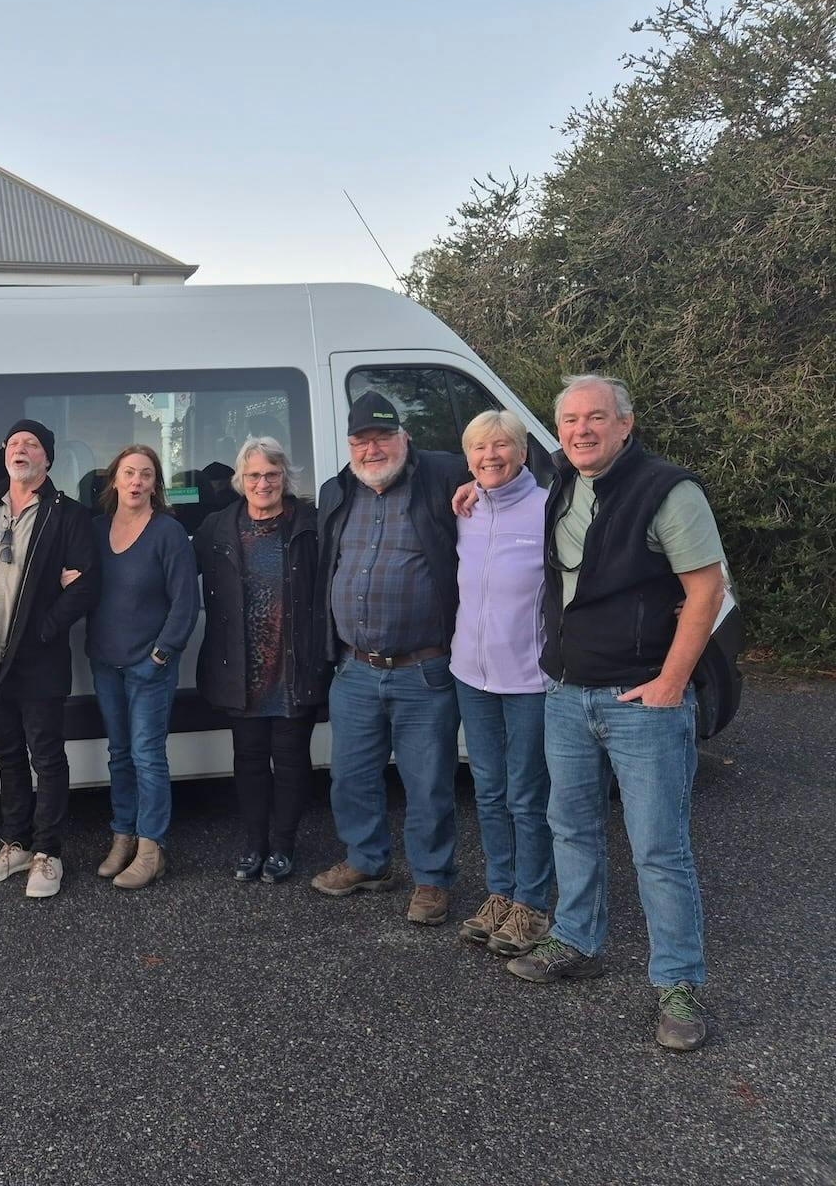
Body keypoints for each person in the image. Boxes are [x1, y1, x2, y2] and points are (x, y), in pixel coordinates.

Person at [504, 375, 726, 1053]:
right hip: (567, 695)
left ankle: (679, 985)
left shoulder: (668, 489)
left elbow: (707, 587)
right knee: (571, 828)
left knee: (658, 848)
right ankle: (576, 939)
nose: (580, 430)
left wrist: (670, 683)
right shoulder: (563, 482)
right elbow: (483, 463)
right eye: (569, 419)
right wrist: (465, 487)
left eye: (596, 417)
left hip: (640, 704)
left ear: (626, 424)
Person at [309, 391, 471, 925]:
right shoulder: (338, 492)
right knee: (350, 777)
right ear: (350, 445)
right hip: (354, 668)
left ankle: (431, 880)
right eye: (361, 440)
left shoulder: (446, 475)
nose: (371, 449)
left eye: (381, 437)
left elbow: (512, 469)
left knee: (427, 783)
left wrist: (481, 487)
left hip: (423, 669)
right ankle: (367, 862)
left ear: (402, 437)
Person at [0, 419, 100, 898]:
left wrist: (44, 628)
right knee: (8, 756)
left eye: (31, 444)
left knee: (46, 757)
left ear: (47, 458)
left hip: (38, 659)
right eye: (14, 443)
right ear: (4, 454)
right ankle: (15, 843)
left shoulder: (69, 516)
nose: (20, 450)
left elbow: (84, 585)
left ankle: (48, 852)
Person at [194, 436, 328, 882]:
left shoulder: (309, 522)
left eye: (272, 474)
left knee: (290, 761)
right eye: (253, 475)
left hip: (293, 665)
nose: (263, 483)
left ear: (284, 477)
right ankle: (255, 846)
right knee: (249, 760)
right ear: (240, 480)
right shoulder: (217, 527)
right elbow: (173, 569)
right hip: (240, 667)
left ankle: (283, 847)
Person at [449, 410, 554, 957]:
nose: (490, 456)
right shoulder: (465, 508)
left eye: (501, 446)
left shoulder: (547, 509)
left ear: (522, 451)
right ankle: (499, 893)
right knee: (489, 793)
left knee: (527, 794)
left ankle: (532, 905)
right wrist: (470, 489)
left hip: (530, 678)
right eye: (479, 449)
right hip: (471, 674)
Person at [87, 445, 198, 890]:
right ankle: (123, 835)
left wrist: (161, 654)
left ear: (156, 485)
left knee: (148, 756)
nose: (136, 482)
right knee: (119, 754)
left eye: (146, 475)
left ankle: (152, 849)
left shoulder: (168, 533)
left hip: (149, 665)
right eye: (129, 473)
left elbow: (185, 602)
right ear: (114, 479)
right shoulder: (95, 530)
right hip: (105, 663)